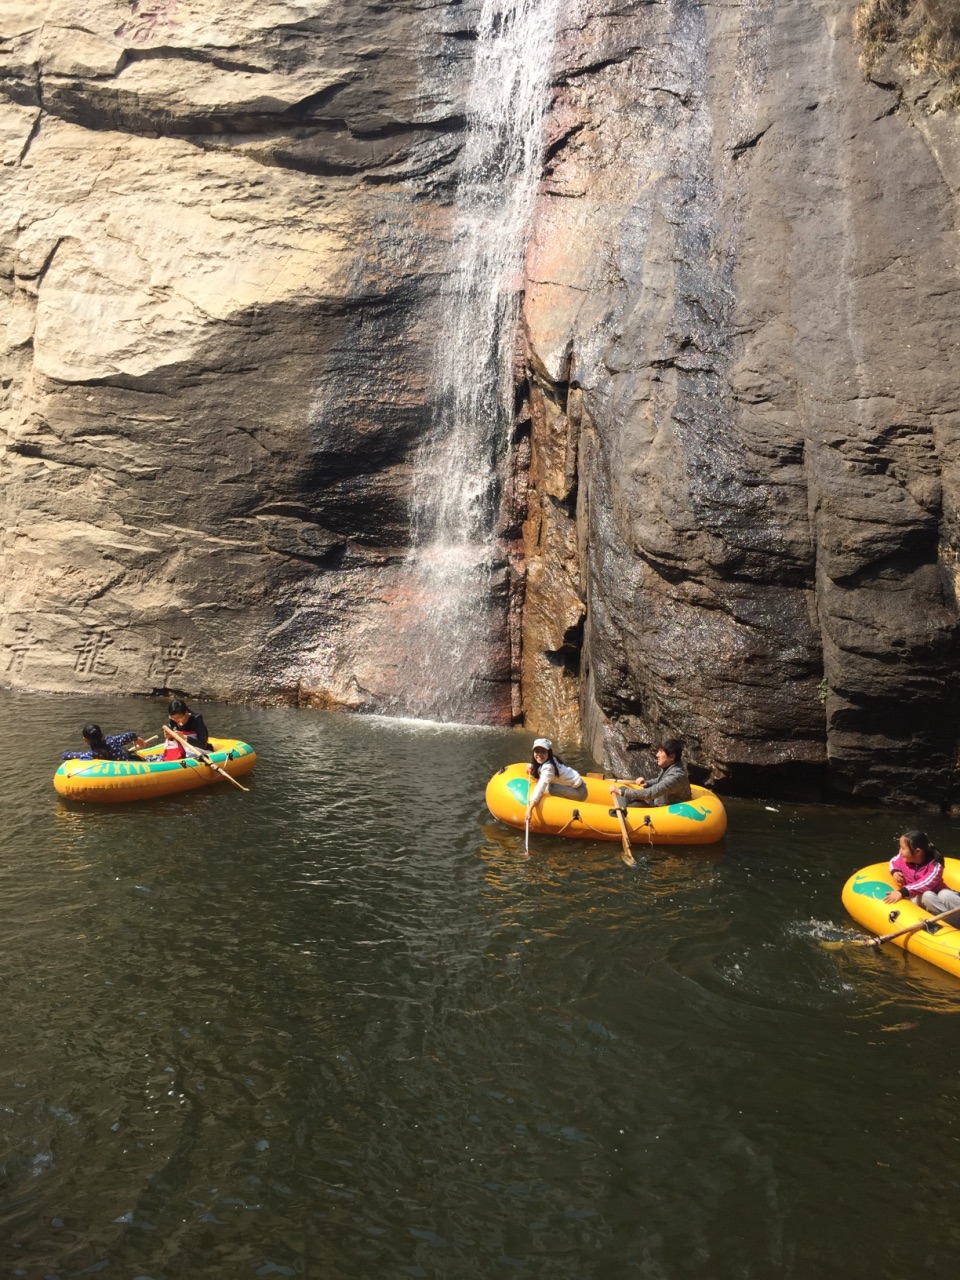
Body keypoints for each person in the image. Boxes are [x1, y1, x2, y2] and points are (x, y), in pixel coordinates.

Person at [885, 830, 960, 917]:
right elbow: (893, 861)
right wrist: (895, 871)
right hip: (917, 897)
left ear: (917, 852)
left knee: (947, 895)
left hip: (937, 892)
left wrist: (903, 892)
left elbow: (926, 883)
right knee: (927, 896)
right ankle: (953, 923)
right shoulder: (902, 858)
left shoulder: (935, 864)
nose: (900, 851)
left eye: (903, 848)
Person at [609, 738, 692, 810]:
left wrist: (622, 792)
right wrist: (647, 783)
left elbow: (651, 793)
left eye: (661, 752)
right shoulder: (670, 767)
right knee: (623, 789)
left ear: (671, 757)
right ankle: (619, 812)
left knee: (633, 804)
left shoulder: (676, 776)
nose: (657, 755)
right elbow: (659, 781)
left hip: (666, 812)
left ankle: (617, 817)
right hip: (658, 802)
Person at [525, 738, 587, 821]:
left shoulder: (549, 768)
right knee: (548, 786)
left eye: (543, 751)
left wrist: (530, 809)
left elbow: (540, 787)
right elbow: (537, 766)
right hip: (576, 787)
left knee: (549, 788)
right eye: (537, 751)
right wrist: (531, 767)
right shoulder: (551, 759)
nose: (539, 754)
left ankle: (564, 809)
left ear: (548, 753)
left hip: (580, 792)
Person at [62, 723, 147, 762]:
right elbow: (130, 735)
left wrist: (65, 754)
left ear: (85, 740)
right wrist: (136, 739)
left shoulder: (94, 753)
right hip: (133, 761)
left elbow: (67, 755)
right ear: (101, 734)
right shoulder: (112, 740)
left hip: (129, 768)